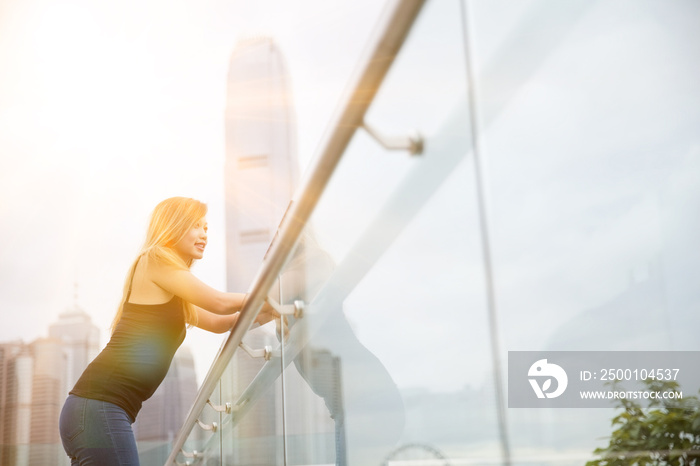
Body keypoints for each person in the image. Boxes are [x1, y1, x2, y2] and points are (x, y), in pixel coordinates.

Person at [59, 197, 278, 466]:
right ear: (173, 226)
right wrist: (274, 294)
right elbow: (220, 303)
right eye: (196, 225)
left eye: (206, 228)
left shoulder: (174, 293)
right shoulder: (155, 259)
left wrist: (275, 309)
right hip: (98, 408)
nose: (204, 234)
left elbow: (223, 322)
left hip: (94, 411)